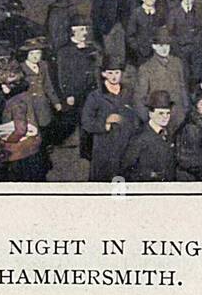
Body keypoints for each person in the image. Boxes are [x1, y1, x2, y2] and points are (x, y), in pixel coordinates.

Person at [80, 56, 140, 182]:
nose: (114, 76)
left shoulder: (129, 92)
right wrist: (105, 123)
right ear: (103, 74)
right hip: (104, 147)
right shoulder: (95, 96)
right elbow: (86, 122)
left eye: (117, 72)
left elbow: (136, 116)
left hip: (126, 146)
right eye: (110, 73)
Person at [56, 17, 103, 158]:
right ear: (72, 31)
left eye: (86, 29)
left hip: (92, 89)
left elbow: (98, 68)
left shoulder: (92, 48)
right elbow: (62, 75)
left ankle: (89, 150)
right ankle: (84, 151)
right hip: (76, 92)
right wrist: (68, 94)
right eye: (81, 29)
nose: (85, 32)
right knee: (80, 120)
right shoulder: (64, 51)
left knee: (90, 118)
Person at [135, 27, 189, 131]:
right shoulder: (146, 68)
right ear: (154, 46)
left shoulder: (177, 63)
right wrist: (150, 121)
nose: (164, 49)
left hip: (178, 117)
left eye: (167, 45)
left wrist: (185, 109)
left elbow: (183, 88)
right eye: (161, 45)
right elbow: (139, 99)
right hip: (158, 119)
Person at [119, 90, 177, 181]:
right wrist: (150, 175)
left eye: (168, 113)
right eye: (161, 113)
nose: (165, 117)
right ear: (151, 113)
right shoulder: (140, 137)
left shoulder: (168, 134)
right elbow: (126, 169)